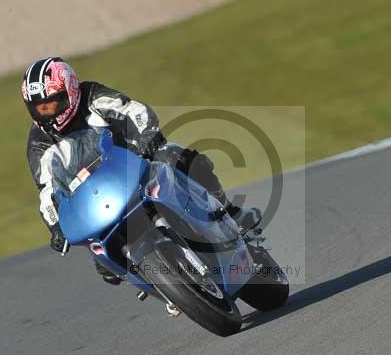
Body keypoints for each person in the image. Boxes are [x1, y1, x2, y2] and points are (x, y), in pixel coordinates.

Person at [22, 57, 261, 284]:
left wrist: (148, 135)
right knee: (106, 267)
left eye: (53, 103)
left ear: (71, 90)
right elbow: (46, 192)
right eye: (40, 108)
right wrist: (55, 228)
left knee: (179, 157)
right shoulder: (38, 144)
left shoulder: (92, 96)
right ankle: (164, 287)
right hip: (95, 201)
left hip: (135, 164)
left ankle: (229, 212)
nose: (48, 113)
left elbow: (133, 110)